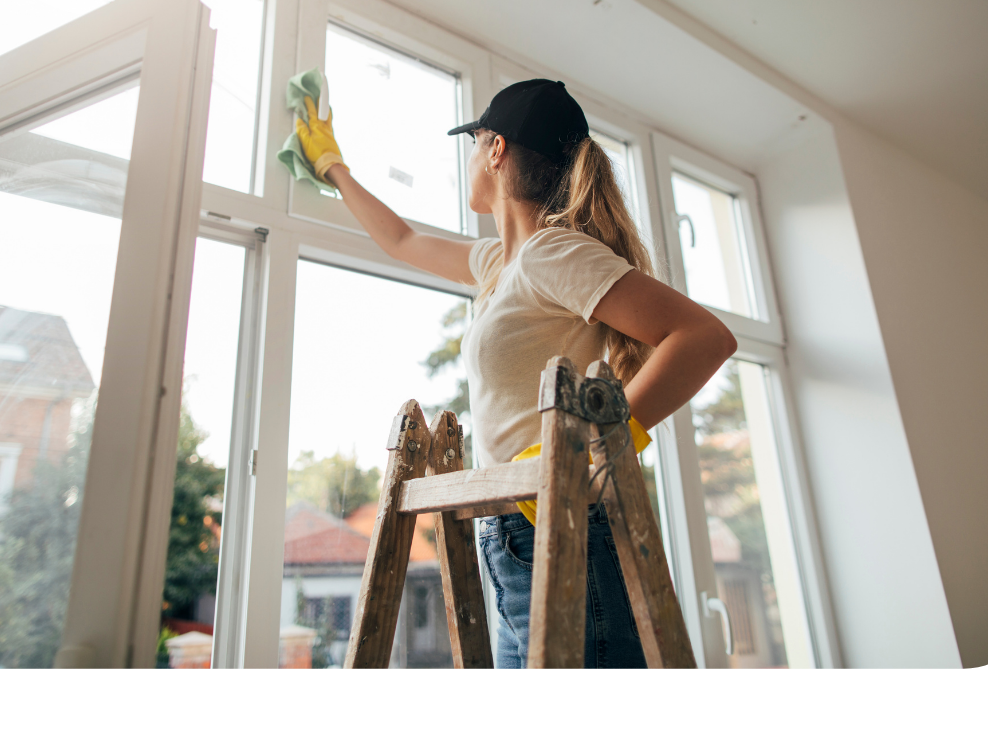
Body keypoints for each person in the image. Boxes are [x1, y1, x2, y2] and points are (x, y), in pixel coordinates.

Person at [296, 77, 736, 668]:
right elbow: (400, 239)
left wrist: (596, 447)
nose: (471, 158)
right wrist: (332, 165)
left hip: (565, 530)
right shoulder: (499, 263)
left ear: (496, 148)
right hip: (511, 537)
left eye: (475, 143)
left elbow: (704, 338)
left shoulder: (554, 253)